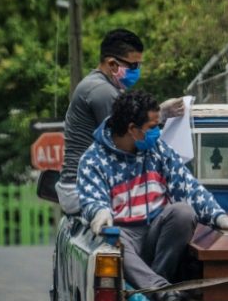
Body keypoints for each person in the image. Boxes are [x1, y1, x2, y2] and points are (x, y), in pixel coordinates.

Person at [77, 90, 228, 301]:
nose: (157, 132)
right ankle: (163, 292)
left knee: (183, 212)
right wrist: (99, 212)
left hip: (154, 231)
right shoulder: (93, 160)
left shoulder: (157, 150)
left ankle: (150, 289)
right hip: (123, 235)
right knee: (113, 239)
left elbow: (187, 186)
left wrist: (219, 217)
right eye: (152, 127)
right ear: (132, 130)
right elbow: (92, 198)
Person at [56, 28, 184, 214]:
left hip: (90, 181)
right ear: (113, 64)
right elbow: (130, 140)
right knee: (169, 208)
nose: (137, 71)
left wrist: (162, 113)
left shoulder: (104, 87)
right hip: (84, 188)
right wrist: (160, 115)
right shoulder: (101, 92)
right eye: (133, 66)